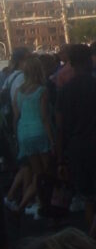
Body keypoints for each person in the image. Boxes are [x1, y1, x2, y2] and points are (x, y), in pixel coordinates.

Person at [56, 44, 96, 244]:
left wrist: (60, 159)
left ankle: (95, 245)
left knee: (88, 199)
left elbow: (60, 128)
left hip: (75, 148)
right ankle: (91, 240)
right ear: (88, 61)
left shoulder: (64, 91)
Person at [9, 57, 54, 217]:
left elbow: (16, 116)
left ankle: (25, 206)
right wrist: (52, 140)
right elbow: (44, 118)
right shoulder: (42, 90)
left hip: (24, 133)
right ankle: (44, 205)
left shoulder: (18, 91)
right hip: (40, 132)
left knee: (37, 172)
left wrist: (16, 136)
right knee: (47, 172)